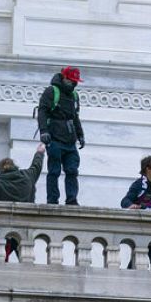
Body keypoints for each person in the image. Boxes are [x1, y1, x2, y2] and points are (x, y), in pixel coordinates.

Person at [37, 67, 86, 205]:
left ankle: (72, 199)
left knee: (72, 171)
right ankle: (52, 200)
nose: (73, 84)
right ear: (64, 78)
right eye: (71, 81)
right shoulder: (51, 91)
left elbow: (75, 117)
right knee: (54, 171)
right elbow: (42, 112)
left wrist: (80, 135)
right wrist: (44, 131)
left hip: (70, 141)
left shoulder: (74, 96)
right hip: (55, 139)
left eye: (75, 82)